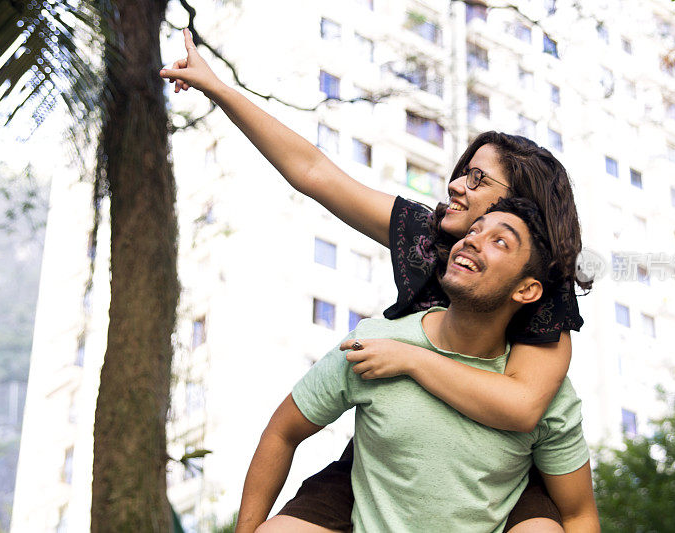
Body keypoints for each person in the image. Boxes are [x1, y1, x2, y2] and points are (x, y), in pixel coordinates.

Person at [160, 29, 590, 531]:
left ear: (522, 207)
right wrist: (219, 89)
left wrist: (410, 360)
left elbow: (521, 408)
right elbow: (314, 171)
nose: (455, 184)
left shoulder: (545, 305)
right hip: (391, 454)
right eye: (461, 172)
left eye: (478, 180)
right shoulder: (426, 237)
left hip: (495, 470)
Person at [237, 199, 599, 533]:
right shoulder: (375, 341)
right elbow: (282, 431)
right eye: (473, 230)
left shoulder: (543, 394)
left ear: (526, 290)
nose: (472, 241)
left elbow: (578, 514)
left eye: (500, 242)